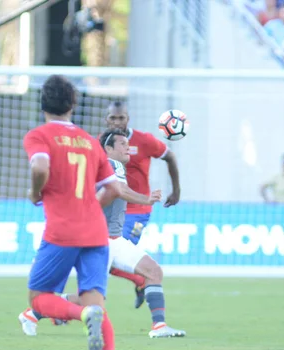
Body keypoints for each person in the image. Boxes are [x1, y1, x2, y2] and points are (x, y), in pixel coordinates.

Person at [19, 129, 186, 339]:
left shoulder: (100, 167)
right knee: (90, 301)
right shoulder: (111, 165)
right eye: (123, 144)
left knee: (153, 272)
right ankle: (33, 313)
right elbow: (119, 191)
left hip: (113, 240)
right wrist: (146, 199)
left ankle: (159, 326)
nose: (128, 148)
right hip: (100, 241)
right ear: (108, 149)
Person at [22, 75, 122, 350]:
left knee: (38, 299)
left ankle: (82, 316)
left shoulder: (39, 135)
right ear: (73, 105)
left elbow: (39, 166)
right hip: (96, 231)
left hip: (62, 231)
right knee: (96, 301)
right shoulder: (89, 141)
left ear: (43, 104)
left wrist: (36, 192)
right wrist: (91, 204)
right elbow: (114, 188)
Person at [104, 101, 181, 307]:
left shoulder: (144, 140)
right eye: (113, 118)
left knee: (111, 257)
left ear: (128, 118)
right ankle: (140, 282)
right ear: (106, 119)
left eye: (121, 117)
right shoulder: (102, 143)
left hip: (138, 211)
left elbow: (170, 156)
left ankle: (144, 282)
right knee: (105, 259)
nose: (117, 122)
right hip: (112, 212)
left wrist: (176, 190)